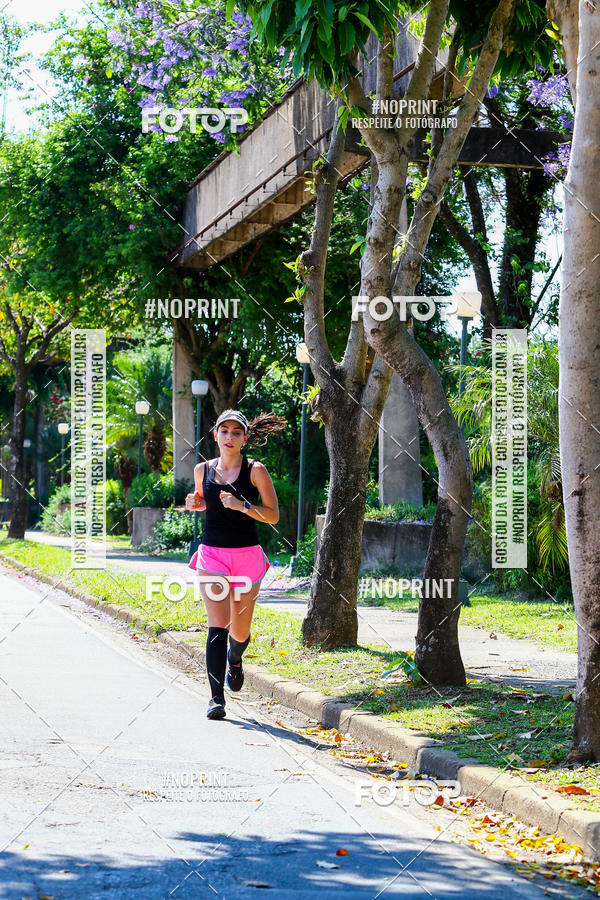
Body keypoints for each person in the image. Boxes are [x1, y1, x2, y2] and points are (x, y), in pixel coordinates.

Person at [185, 409, 284, 720]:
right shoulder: (202, 469)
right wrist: (195, 503)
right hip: (212, 555)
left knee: (239, 631)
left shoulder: (256, 471)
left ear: (245, 438)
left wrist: (243, 505)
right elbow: (204, 502)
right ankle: (216, 698)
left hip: (246, 557)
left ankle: (235, 658)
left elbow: (273, 515)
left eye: (236, 432)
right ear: (216, 435)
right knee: (218, 624)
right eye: (224, 431)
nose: (229, 437)